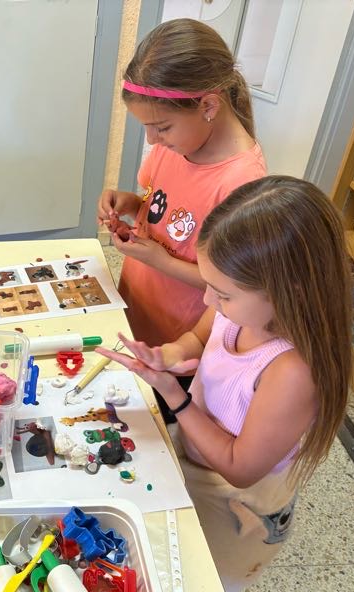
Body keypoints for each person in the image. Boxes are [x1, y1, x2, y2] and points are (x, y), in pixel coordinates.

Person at [97, 176, 352, 592]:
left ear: (288, 291)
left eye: (223, 294)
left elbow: (238, 466)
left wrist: (176, 397)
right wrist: (168, 355)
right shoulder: (238, 309)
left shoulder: (292, 372)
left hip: (237, 504)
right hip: (196, 455)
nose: (209, 301)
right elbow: (199, 337)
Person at [98, 18, 266, 423]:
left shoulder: (242, 182)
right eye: (147, 128)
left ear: (208, 106)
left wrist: (160, 260)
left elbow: (231, 287)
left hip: (179, 342)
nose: (152, 140)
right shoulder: (177, 144)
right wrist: (129, 204)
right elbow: (159, 206)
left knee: (148, 427)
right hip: (136, 311)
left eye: (161, 127)